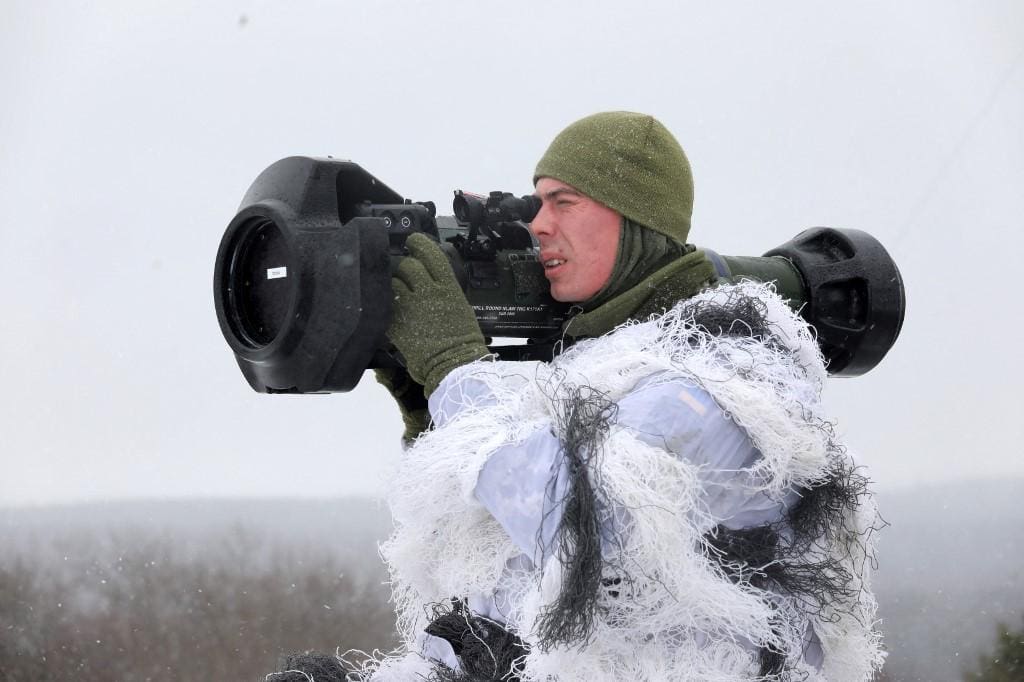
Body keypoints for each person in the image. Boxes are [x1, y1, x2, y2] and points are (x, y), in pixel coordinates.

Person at [362, 112, 884, 682]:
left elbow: (581, 526)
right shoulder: (596, 360)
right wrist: (430, 410)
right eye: (538, 203)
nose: (537, 225)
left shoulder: (720, 375)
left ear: (635, 219)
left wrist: (454, 371)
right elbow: (499, 561)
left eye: (564, 202)